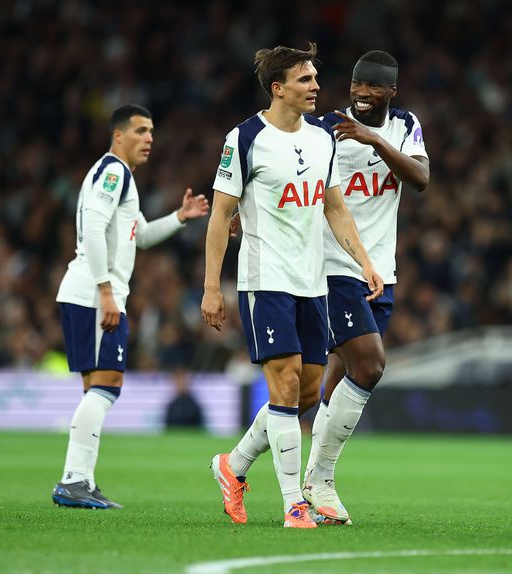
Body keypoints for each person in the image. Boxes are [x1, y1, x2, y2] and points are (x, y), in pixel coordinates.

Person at [200, 43, 383, 529]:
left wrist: (363, 261)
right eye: (305, 80)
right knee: (282, 385)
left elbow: (334, 206)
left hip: (313, 282)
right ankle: (293, 504)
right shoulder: (244, 139)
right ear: (278, 88)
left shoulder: (323, 140)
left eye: (316, 79)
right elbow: (221, 214)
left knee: (305, 392)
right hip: (266, 280)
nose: (317, 87)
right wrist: (211, 287)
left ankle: (233, 465)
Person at [52, 104, 210, 509]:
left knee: (97, 388)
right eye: (140, 131)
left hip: (88, 292)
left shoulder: (122, 178)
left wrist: (180, 216)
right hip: (93, 293)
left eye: (152, 131)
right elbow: (91, 229)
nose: (149, 138)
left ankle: (80, 480)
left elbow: (138, 236)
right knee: (107, 386)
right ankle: (73, 479)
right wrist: (106, 291)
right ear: (117, 135)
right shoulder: (113, 172)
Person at [299, 49, 429, 524]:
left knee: (323, 387)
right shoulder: (324, 128)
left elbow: (420, 179)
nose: (361, 93)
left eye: (373, 87)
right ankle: (322, 480)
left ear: (391, 90)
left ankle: (244, 464)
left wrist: (374, 141)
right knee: (371, 366)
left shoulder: (405, 126)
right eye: (356, 84)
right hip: (335, 266)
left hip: (381, 273)